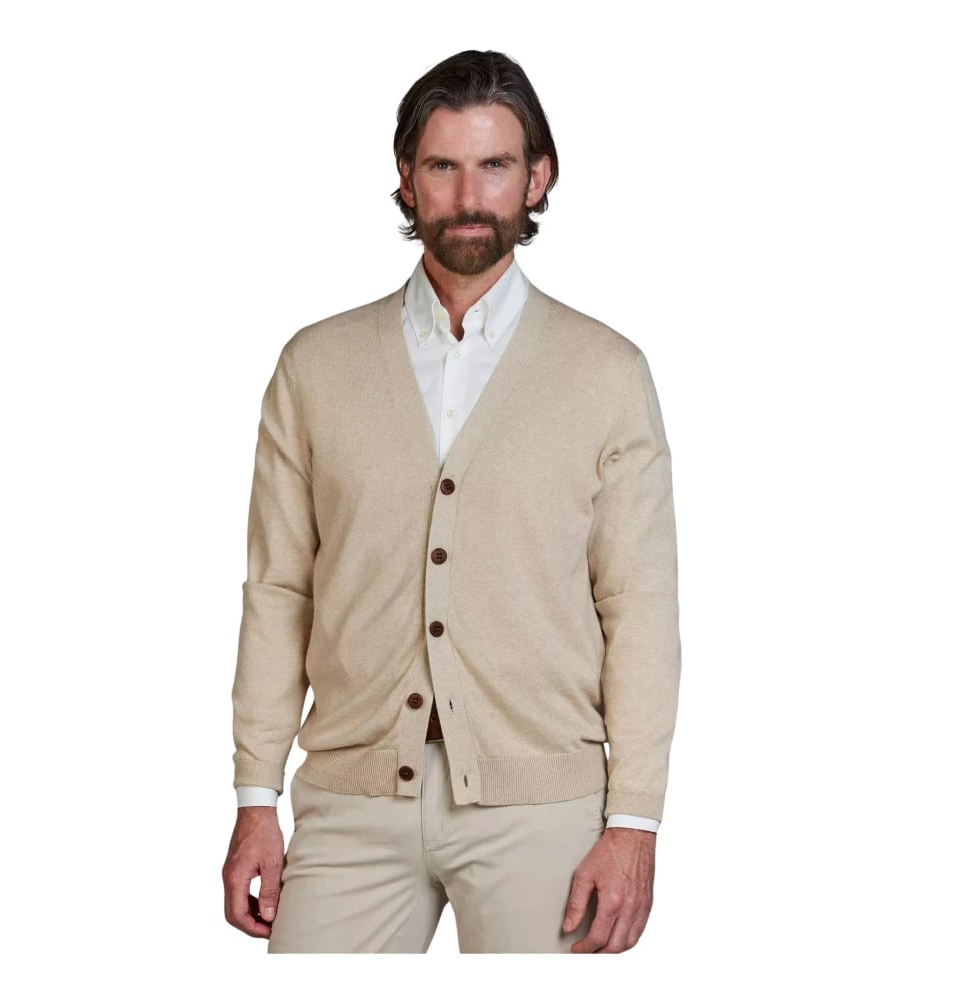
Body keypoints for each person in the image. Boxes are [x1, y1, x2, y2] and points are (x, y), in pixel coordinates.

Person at [222, 49, 682, 954]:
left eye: (495, 165)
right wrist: (254, 798)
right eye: (443, 166)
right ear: (406, 180)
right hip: (350, 796)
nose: (469, 196)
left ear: (538, 177)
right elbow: (278, 591)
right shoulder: (315, 367)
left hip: (543, 805)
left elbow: (639, 604)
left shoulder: (605, 373)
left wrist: (634, 821)